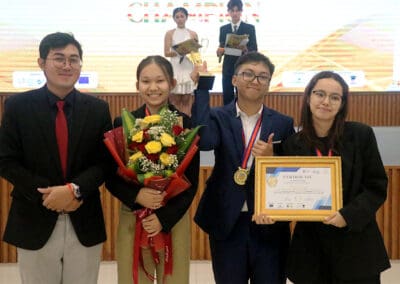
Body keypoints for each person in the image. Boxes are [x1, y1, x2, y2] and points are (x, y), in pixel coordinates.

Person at [0, 32, 113, 283]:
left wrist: (74, 190)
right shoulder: (17, 106)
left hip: (84, 217)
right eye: (59, 58)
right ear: (42, 63)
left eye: (74, 59)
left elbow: (105, 162)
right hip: (34, 216)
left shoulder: (97, 109)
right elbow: (6, 160)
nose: (66, 65)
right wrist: (49, 195)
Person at [191, 51, 295, 284]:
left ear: (269, 84)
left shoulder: (283, 122)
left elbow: (291, 170)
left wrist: (273, 156)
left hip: (268, 222)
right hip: (227, 219)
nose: (254, 80)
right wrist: (202, 88)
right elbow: (205, 142)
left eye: (262, 76)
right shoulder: (217, 116)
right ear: (234, 79)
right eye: (247, 74)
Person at [281, 71, 390, 283]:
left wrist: (347, 216)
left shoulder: (361, 135)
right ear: (308, 97)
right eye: (319, 94)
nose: (326, 101)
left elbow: (376, 186)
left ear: (342, 104)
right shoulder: (293, 144)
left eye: (334, 97)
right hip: (311, 251)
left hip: (356, 246)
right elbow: (286, 193)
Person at [105, 55, 200, 284]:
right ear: (137, 85)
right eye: (146, 81)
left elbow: (192, 181)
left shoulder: (185, 123)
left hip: (173, 217)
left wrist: (163, 217)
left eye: (160, 81)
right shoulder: (123, 122)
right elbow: (110, 176)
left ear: (173, 84)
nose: (153, 87)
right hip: (133, 215)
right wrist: (137, 196)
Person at [217, 0, 258, 105]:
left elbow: (254, 49)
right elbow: (221, 48)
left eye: (237, 11)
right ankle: (227, 120)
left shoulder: (249, 28)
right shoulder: (223, 29)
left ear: (241, 12)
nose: (235, 13)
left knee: (243, 96)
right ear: (228, 12)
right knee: (227, 97)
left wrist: (246, 49)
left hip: (243, 67)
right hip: (228, 68)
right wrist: (219, 52)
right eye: (232, 11)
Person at [164, 7, 198, 116]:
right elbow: (166, 52)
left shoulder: (193, 33)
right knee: (175, 100)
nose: (180, 19)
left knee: (187, 100)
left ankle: (187, 126)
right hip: (175, 69)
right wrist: (179, 51)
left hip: (188, 68)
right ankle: (176, 128)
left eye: (182, 16)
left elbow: (196, 54)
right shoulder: (170, 33)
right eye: (177, 17)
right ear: (174, 19)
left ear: (186, 17)